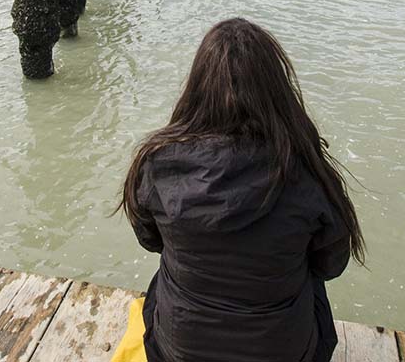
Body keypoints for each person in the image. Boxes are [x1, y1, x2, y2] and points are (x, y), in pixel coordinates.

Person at [118, 18, 364, 362]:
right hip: (285, 353)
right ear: (277, 91)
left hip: (178, 352)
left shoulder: (159, 163)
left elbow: (151, 240)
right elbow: (329, 265)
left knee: (171, 271)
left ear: (197, 87)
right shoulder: (307, 173)